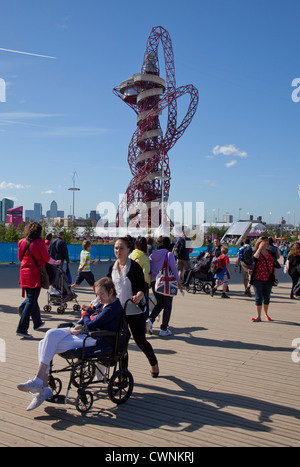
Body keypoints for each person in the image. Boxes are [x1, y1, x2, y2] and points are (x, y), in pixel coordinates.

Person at [17, 278, 123, 411]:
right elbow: (91, 315)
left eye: (101, 294)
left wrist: (84, 314)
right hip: (86, 334)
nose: (99, 297)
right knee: (45, 340)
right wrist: (88, 313)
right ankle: (41, 385)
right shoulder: (106, 303)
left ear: (111, 291)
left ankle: (41, 384)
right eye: (97, 294)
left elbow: (90, 323)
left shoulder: (113, 308)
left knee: (48, 340)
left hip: (96, 340)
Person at [108, 237, 159, 377]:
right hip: (119, 311)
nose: (118, 251)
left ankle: (154, 363)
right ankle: (123, 374)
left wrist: (138, 296)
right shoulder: (112, 267)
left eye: (121, 248)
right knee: (121, 343)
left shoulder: (134, 267)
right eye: (116, 248)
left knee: (140, 341)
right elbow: (107, 289)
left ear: (128, 250)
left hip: (135, 310)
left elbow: (141, 289)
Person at [16, 222, 61, 338]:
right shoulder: (40, 242)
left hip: (24, 273)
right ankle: (22, 328)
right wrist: (56, 262)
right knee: (31, 300)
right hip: (34, 274)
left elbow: (20, 257)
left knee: (32, 298)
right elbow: (46, 258)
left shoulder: (22, 242)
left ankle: (38, 322)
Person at [147, 236, 183, 336]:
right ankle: (163, 329)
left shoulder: (152, 255)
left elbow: (150, 269)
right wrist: (179, 283)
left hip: (155, 283)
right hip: (166, 282)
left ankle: (150, 320)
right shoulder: (169, 254)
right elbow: (175, 270)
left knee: (159, 304)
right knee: (167, 306)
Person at [249, 236, 277, 322]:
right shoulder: (256, 252)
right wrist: (259, 248)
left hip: (268, 277)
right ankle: (258, 316)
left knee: (267, 296)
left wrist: (275, 274)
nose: (265, 244)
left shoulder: (270, 252)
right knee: (258, 297)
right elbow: (254, 259)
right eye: (263, 243)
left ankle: (266, 313)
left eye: (266, 243)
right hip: (258, 278)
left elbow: (274, 263)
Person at [129, 236, 151, 316]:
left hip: (130, 282)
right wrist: (149, 283)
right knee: (144, 303)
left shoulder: (130, 256)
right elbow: (145, 273)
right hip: (141, 284)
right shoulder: (145, 258)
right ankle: (146, 321)